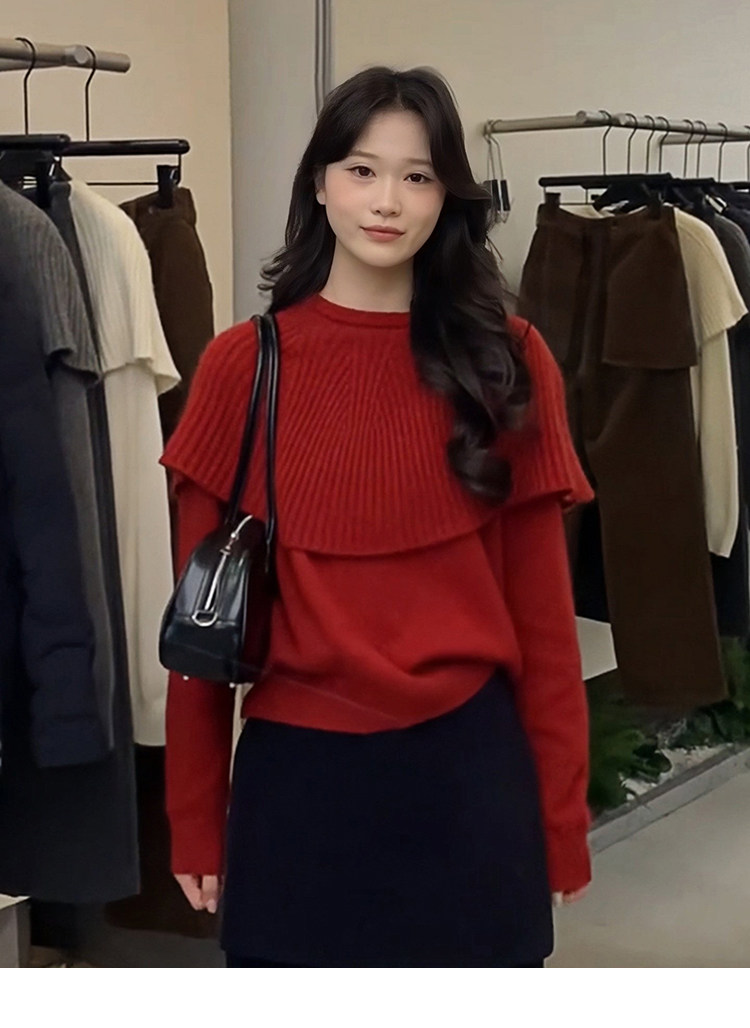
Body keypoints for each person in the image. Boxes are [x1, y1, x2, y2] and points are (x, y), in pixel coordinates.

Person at [160, 65, 593, 968]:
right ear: (319, 184)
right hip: (297, 786)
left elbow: (547, 629)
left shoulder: (508, 361)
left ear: (448, 197)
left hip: (471, 777)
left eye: (418, 175)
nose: (387, 201)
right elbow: (199, 631)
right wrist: (194, 817)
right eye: (362, 170)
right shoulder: (243, 366)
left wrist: (560, 821)